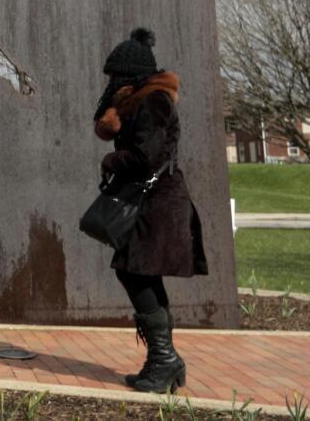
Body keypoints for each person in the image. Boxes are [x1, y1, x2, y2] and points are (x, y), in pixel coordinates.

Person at [93, 27, 208, 393]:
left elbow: (147, 157)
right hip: (151, 202)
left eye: (117, 76)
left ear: (132, 76)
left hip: (160, 203)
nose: (112, 82)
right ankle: (163, 361)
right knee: (138, 274)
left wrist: (113, 160)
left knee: (135, 273)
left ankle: (165, 360)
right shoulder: (138, 101)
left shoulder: (154, 101)